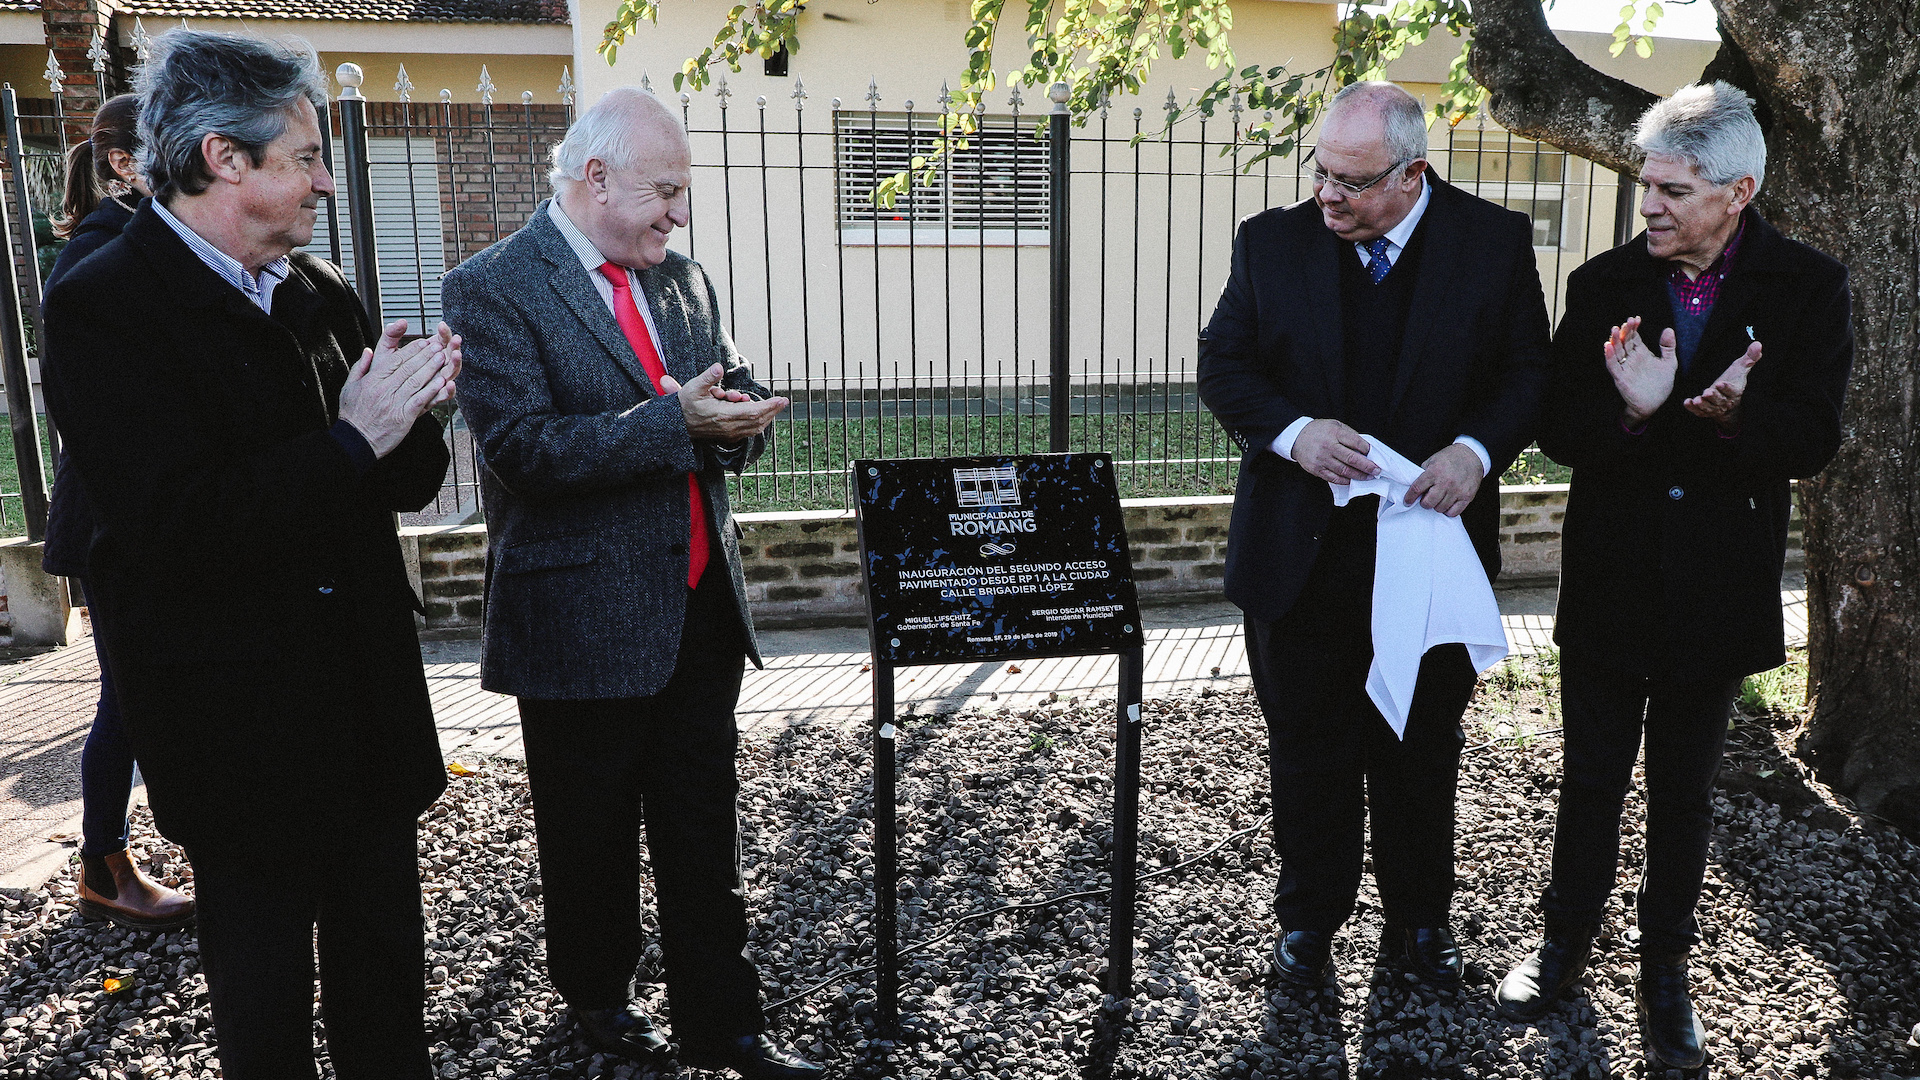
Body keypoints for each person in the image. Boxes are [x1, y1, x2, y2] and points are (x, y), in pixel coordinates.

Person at [39, 30, 459, 1079]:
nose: (326, 181)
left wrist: (412, 408)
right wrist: (354, 438)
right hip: (239, 739)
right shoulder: (102, 305)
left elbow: (401, 484)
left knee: (387, 1004)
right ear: (224, 158)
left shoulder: (318, 286)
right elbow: (179, 526)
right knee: (265, 1015)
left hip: (364, 715)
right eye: (305, 157)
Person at [442, 87, 817, 1079]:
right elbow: (523, 452)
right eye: (666, 191)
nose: (679, 215)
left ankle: (724, 1024)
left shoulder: (682, 280)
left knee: (703, 831)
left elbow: (722, 389)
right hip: (579, 621)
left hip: (697, 611)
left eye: (683, 192)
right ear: (596, 179)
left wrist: (742, 420)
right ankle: (600, 1005)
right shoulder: (493, 287)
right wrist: (675, 424)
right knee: (589, 837)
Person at [1495, 82, 1852, 1070]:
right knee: (1590, 779)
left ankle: (1665, 973)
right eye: (1645, 184)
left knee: (1684, 791)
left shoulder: (1809, 287)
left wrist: (1735, 417)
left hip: (1718, 584)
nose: (1648, 204)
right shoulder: (1603, 284)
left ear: (1739, 192)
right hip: (1611, 578)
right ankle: (1562, 948)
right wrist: (1632, 410)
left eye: (1672, 190)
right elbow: (1559, 429)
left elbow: (1814, 436)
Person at [1197, 81, 1550, 993]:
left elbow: (1527, 375)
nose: (1327, 195)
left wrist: (1476, 452)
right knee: (1307, 747)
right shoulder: (1269, 243)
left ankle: (1421, 920)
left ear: (1411, 175)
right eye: (1320, 172)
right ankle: (1310, 919)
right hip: (1299, 557)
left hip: (1433, 549)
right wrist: (1294, 434)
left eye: (1351, 182)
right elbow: (1223, 365)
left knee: (1422, 748)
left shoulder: (1492, 243)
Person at [39, 93, 194, 931]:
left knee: (147, 688)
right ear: (124, 164)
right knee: (126, 696)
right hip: (113, 520)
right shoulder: (99, 254)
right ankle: (103, 864)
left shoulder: (136, 239)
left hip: (137, 512)